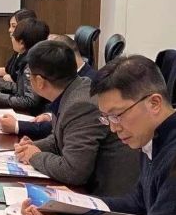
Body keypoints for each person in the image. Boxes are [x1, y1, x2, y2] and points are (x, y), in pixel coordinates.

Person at [21, 55, 176, 215]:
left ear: (154, 103)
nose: (113, 128)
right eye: (107, 118)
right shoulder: (153, 137)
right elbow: (137, 203)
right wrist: (71, 207)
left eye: (117, 115)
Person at [14, 41, 139, 195]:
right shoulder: (73, 89)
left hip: (106, 196)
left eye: (29, 75)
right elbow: (60, 138)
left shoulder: (80, 105)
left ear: (40, 81)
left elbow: (73, 172)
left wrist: (34, 156)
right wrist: (32, 146)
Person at [0, 34, 97, 138]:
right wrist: (48, 115)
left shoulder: (87, 89)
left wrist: (17, 126)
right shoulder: (67, 82)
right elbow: (56, 136)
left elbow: (66, 136)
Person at [0, 18, 49, 115]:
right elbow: (21, 89)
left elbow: (30, 101)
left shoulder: (31, 64)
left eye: (14, 36)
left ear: (21, 43)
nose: (11, 38)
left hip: (33, 117)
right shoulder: (28, 58)